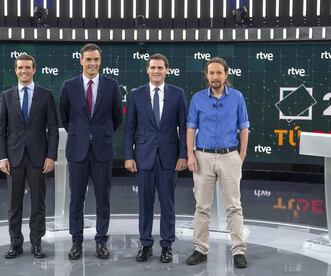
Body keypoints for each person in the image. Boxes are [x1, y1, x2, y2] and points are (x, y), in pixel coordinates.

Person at [60, 43, 122, 260]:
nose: (92, 63)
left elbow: (117, 118)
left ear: (100, 61)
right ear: (81, 60)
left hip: (102, 151)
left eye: (96, 59)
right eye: (88, 59)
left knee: (103, 199)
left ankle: (101, 241)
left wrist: (99, 135)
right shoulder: (68, 86)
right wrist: (82, 135)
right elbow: (66, 118)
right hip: (77, 151)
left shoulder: (111, 85)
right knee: (76, 199)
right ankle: (76, 242)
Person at [186, 57, 249, 268]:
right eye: (211, 73)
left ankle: (238, 250)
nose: (215, 76)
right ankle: (200, 249)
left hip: (230, 156)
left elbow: (244, 127)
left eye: (219, 73)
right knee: (202, 207)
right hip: (203, 156)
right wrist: (190, 155)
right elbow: (191, 128)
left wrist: (241, 156)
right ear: (207, 75)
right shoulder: (197, 99)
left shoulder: (237, 97)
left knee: (234, 206)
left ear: (226, 74)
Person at [124, 53, 187, 263]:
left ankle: (167, 245)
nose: (157, 71)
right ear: (147, 70)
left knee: (168, 204)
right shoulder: (136, 94)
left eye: (160, 68)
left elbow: (185, 127)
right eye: (153, 68)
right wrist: (128, 156)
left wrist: (183, 155)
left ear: (167, 70)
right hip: (143, 157)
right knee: (145, 204)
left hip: (169, 158)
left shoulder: (178, 94)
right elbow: (129, 128)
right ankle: (145, 244)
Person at [0, 54, 59, 259]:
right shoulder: (6, 96)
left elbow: (53, 129)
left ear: (34, 70)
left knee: (38, 203)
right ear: (16, 70)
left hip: (39, 159)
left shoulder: (46, 95)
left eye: (28, 68)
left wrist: (51, 156)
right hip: (13, 159)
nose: (24, 71)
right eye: (21, 67)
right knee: (14, 205)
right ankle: (15, 243)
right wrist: (2, 157)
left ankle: (36, 243)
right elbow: (1, 130)